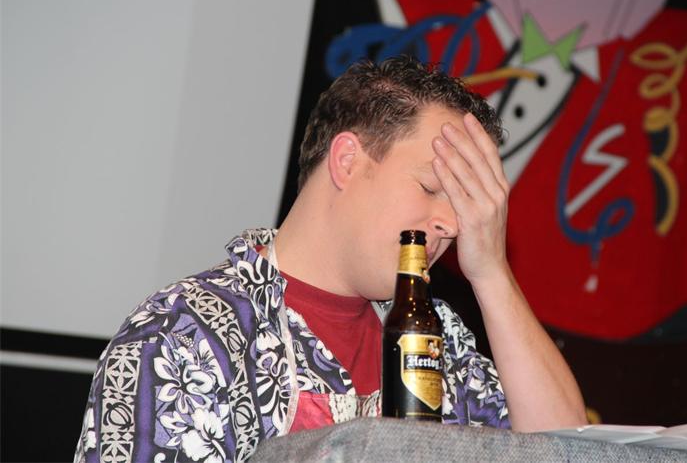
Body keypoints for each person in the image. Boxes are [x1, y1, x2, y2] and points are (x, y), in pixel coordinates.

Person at [75, 56, 586, 462]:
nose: (453, 224)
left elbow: (570, 452)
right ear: (346, 161)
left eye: (463, 203)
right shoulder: (183, 333)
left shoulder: (441, 338)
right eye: (432, 188)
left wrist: (492, 274)